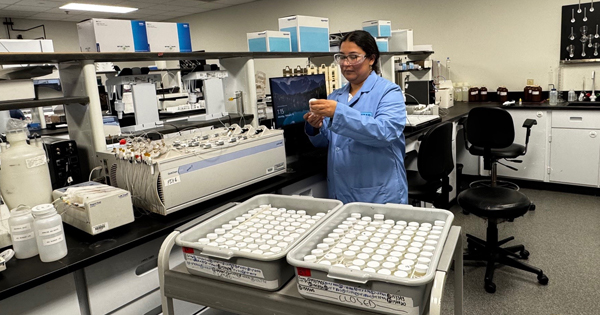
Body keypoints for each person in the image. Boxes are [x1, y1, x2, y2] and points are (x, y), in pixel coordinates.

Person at [304, 30, 407, 204]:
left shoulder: (388, 92)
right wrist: (316, 127)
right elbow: (331, 142)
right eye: (342, 57)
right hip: (341, 188)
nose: (346, 64)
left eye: (354, 57)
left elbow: (385, 132)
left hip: (378, 193)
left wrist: (338, 113)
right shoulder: (336, 96)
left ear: (371, 59)